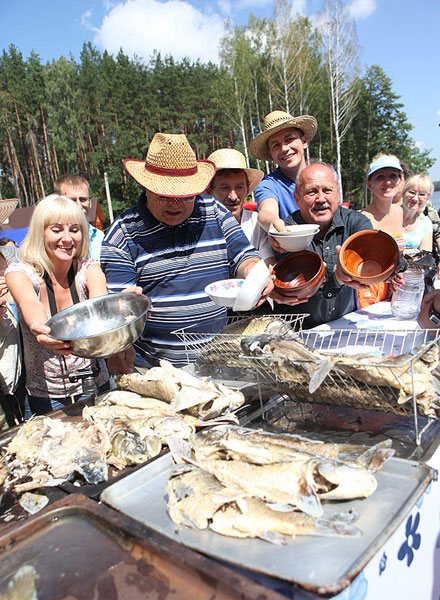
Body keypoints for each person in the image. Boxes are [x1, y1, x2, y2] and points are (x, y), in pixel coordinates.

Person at [101, 133, 272, 369]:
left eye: (185, 195)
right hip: (154, 369)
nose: (176, 204)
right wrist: (128, 305)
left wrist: (255, 275)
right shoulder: (123, 232)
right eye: (165, 195)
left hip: (220, 358)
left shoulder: (214, 211)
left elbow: (244, 256)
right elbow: (118, 308)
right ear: (146, 187)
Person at [5, 195, 120, 416]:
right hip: (46, 397)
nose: (67, 238)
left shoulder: (89, 269)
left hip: (96, 384)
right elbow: (30, 303)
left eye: (74, 230)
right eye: (56, 229)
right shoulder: (20, 273)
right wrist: (40, 328)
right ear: (40, 232)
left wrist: (119, 304)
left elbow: (100, 304)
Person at [269, 162, 373, 329]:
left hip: (345, 326)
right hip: (297, 332)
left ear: (338, 194)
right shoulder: (287, 233)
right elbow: (306, 279)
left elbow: (372, 254)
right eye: (311, 192)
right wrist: (340, 273)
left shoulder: (356, 222)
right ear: (297, 198)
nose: (321, 199)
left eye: (327, 190)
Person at [249, 110, 318, 234]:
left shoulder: (325, 175)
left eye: (289, 139)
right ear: (270, 153)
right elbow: (266, 212)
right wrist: (273, 224)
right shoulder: (269, 185)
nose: (284, 148)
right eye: (276, 145)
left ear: (304, 141)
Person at [206, 148, 274, 266]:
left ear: (247, 189)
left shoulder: (257, 223)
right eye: (224, 188)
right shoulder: (200, 227)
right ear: (209, 191)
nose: (233, 196)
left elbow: (269, 262)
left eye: (239, 187)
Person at [54, 174, 104, 260]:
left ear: (90, 202)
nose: (79, 206)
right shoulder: (48, 240)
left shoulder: (100, 238)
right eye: (72, 200)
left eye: (83, 199)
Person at [402, 174, 434, 253]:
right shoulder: (389, 216)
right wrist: (415, 251)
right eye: (412, 192)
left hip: (415, 265)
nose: (415, 198)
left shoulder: (426, 222)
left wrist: (401, 252)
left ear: (428, 197)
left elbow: (425, 254)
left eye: (422, 194)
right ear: (403, 192)